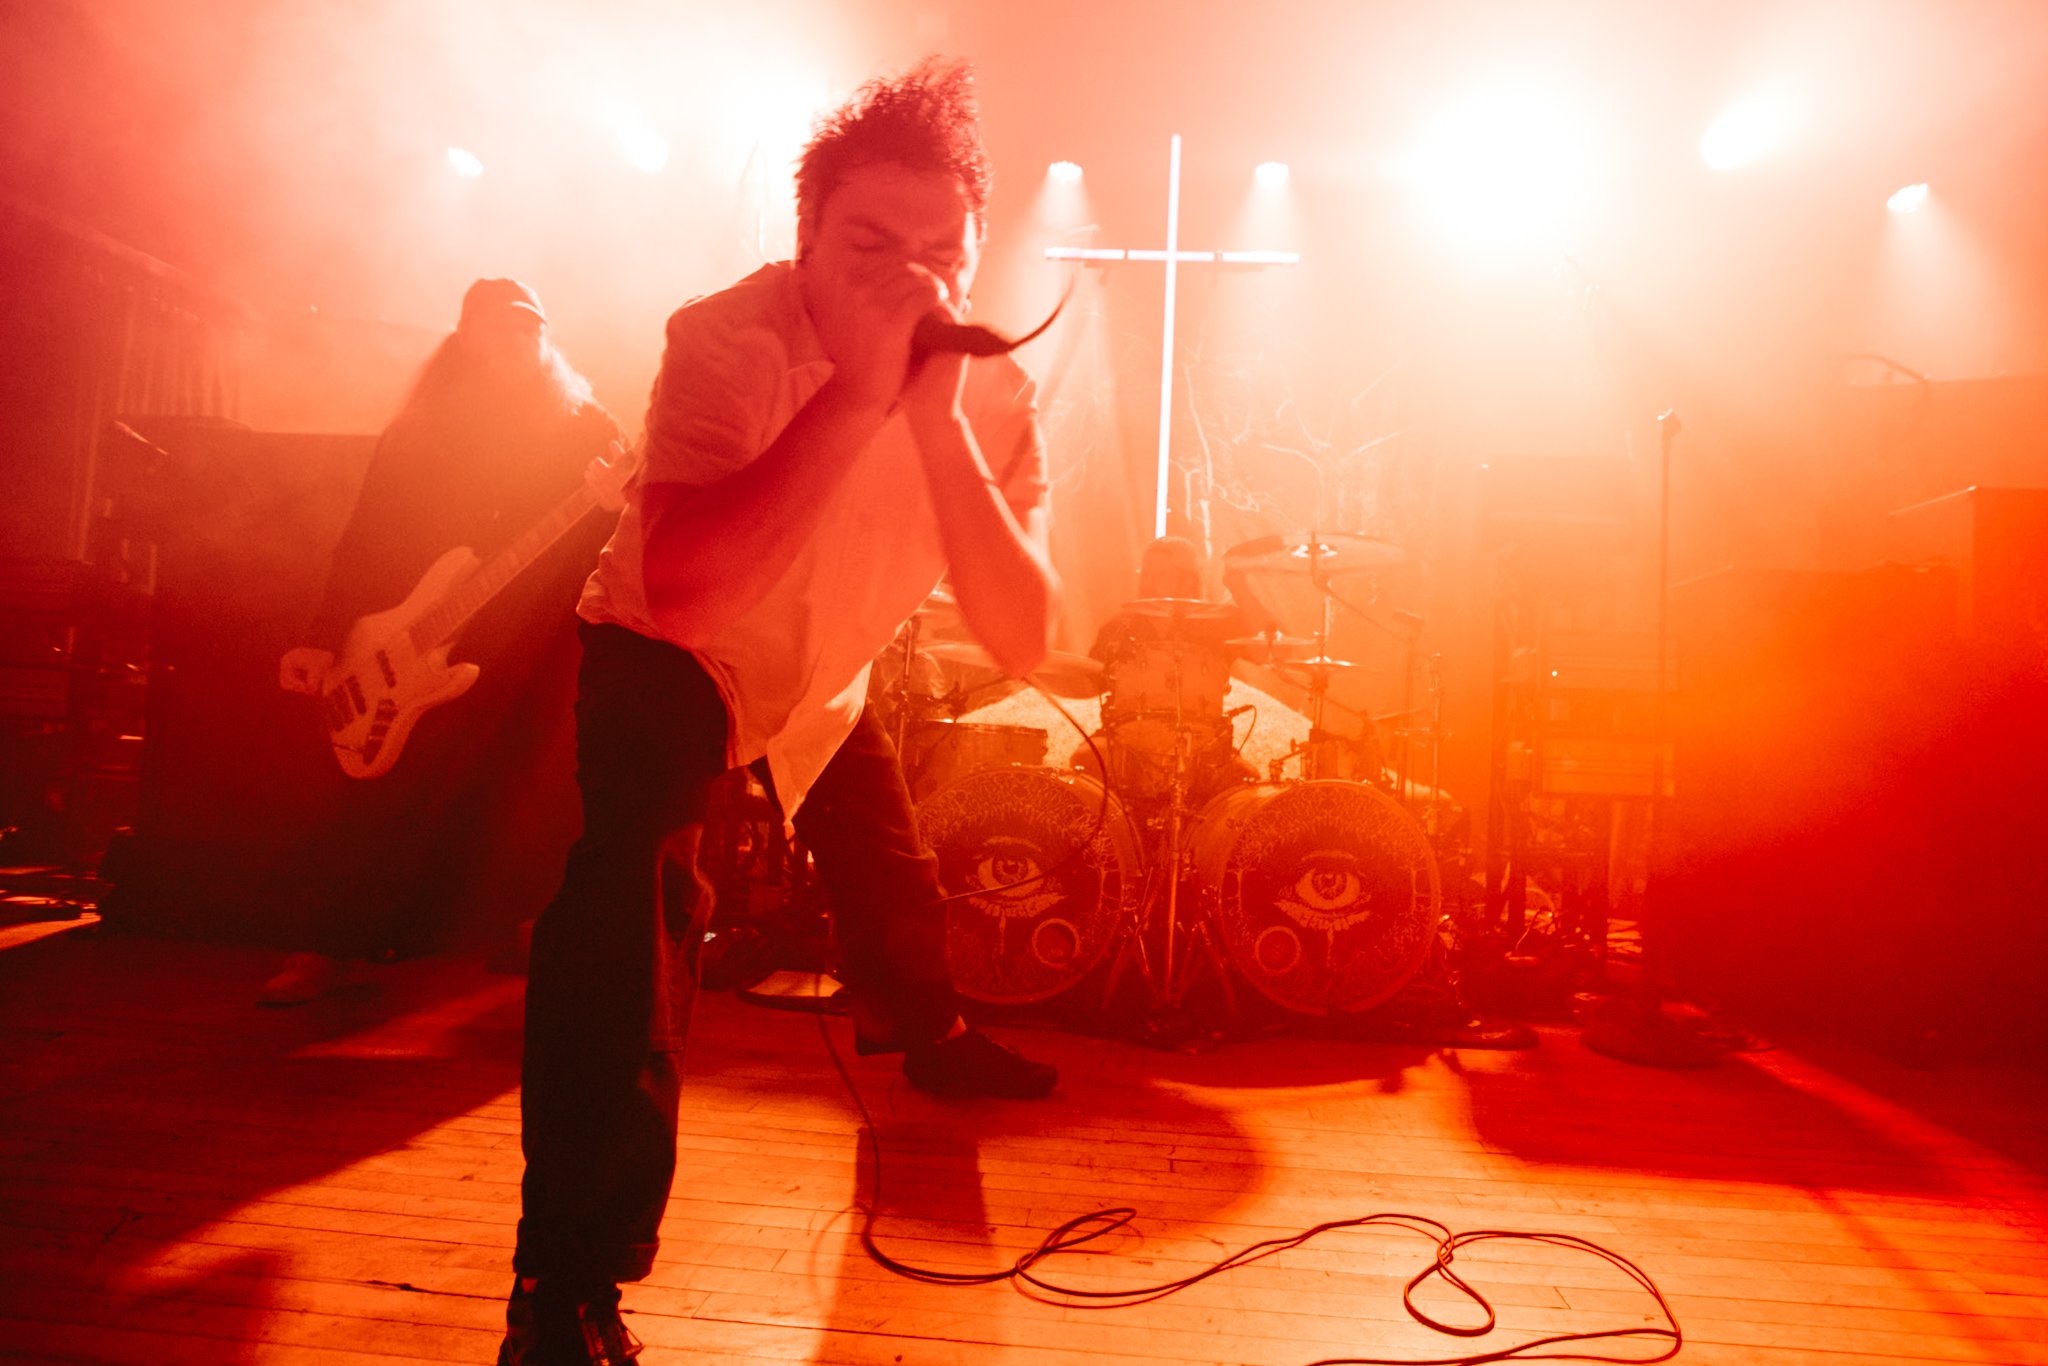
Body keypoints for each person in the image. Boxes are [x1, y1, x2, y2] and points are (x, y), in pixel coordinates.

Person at [501, 60, 1060, 1365]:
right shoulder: (725, 338)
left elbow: (1024, 633)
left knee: (882, 846)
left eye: (941, 255)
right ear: (807, 241)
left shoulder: (994, 391)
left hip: (826, 664)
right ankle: (564, 1285)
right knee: (633, 904)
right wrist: (860, 391)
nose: (910, 283)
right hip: (671, 650)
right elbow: (692, 587)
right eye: (871, 245)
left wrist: (935, 422)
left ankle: (928, 1026)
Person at [266, 279, 622, 1005]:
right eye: (496, 331)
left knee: (539, 786)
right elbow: (364, 536)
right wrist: (323, 637)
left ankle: (530, 936)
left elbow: (619, 529)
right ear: (463, 340)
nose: (514, 345)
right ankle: (326, 945)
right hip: (411, 630)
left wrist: (619, 502)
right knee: (373, 791)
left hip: (536, 637)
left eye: (527, 332)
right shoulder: (420, 430)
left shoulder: (587, 428)